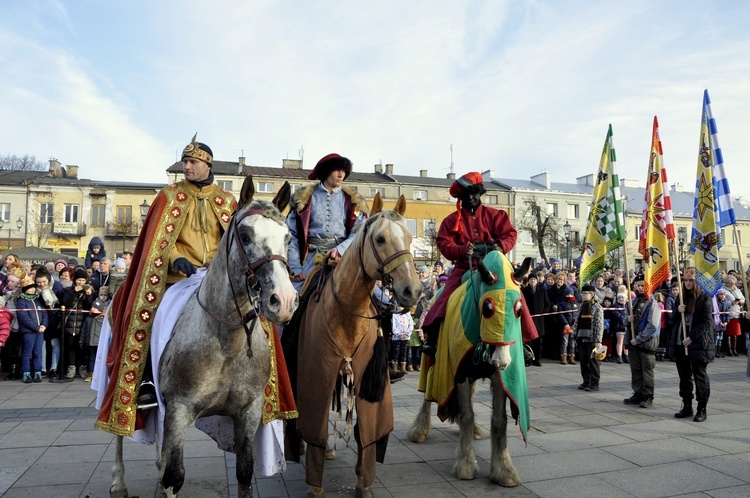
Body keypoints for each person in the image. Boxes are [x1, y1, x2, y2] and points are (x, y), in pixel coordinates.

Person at [96, 135, 237, 435]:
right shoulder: (168, 196)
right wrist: (175, 259)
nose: (187, 167)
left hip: (215, 276)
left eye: (192, 162)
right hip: (176, 278)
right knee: (147, 316)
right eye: (185, 162)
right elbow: (156, 241)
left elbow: (234, 242)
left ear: (207, 165)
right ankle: (146, 380)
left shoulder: (226, 201)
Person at [420, 172, 517, 357]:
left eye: (474, 193)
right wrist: (463, 249)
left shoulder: (496, 215)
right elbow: (444, 244)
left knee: (514, 293)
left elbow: (510, 234)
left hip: (494, 266)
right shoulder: (450, 221)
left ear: (480, 193)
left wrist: (501, 245)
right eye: (466, 195)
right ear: (460, 197)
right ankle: (432, 337)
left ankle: (524, 341)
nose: (471, 198)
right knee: (445, 297)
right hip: (464, 266)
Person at [285, 153, 368, 292]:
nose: (341, 174)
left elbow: (359, 231)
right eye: (337, 170)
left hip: (344, 256)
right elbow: (290, 235)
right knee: (294, 298)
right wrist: (295, 268)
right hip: (310, 259)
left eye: (344, 171)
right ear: (326, 171)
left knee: (373, 295)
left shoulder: (353, 201)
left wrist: (340, 250)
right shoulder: (304, 200)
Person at [668, 267, 715, 421]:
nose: (687, 283)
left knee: (699, 376)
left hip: (698, 344)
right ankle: (687, 405)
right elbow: (672, 321)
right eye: (685, 280)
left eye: (691, 280)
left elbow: (707, 322)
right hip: (681, 343)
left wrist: (691, 337)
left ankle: (702, 408)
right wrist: (677, 311)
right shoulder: (680, 298)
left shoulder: (704, 298)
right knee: (684, 377)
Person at [623, 275, 661, 408]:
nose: (640, 288)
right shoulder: (633, 302)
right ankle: (637, 392)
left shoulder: (652, 303)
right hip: (633, 342)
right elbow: (625, 319)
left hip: (646, 342)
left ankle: (648, 395)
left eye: (643, 285)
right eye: (638, 285)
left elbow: (653, 325)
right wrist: (628, 320)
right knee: (636, 369)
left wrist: (639, 339)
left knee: (647, 370)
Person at [61, 267, 94, 379]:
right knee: (71, 347)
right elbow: (66, 303)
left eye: (83, 280)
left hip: (82, 324)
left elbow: (89, 307)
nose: (81, 282)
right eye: (79, 280)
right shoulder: (68, 290)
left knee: (82, 347)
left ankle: (82, 367)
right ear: (75, 280)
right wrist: (74, 292)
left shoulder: (88, 291)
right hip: (70, 324)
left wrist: (89, 295)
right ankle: (71, 367)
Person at [16, 275, 47, 383]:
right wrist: (36, 327)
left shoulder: (37, 300)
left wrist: (44, 325)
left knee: (38, 352)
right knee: (27, 353)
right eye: (30, 287)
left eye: (33, 287)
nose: (33, 289)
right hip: (29, 332)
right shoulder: (21, 301)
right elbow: (24, 317)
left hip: (39, 331)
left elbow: (44, 313)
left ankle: (37, 372)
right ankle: (26, 372)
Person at [573, 284, 604, 391]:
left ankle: (595, 383)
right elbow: (577, 322)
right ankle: (586, 381)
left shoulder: (597, 307)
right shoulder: (581, 306)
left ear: (592, 294)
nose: (583, 295)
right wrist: (574, 336)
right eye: (582, 293)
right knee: (583, 361)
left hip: (592, 338)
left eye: (586, 293)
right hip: (581, 337)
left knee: (593, 362)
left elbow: (599, 325)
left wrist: (598, 340)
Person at [521, 273, 550, 366]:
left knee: (537, 340)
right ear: (528, 281)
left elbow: (547, 304)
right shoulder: (524, 291)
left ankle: (536, 359)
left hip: (539, 320)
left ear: (537, 281)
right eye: (531, 280)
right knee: (527, 340)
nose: (532, 281)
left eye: (534, 280)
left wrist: (543, 313)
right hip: (527, 319)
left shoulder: (542, 291)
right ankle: (528, 359)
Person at [80, 299, 106, 382]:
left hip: (99, 343)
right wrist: (82, 340)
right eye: (92, 306)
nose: (92, 308)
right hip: (90, 342)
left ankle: (100, 374)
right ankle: (91, 373)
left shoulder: (104, 319)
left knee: (100, 358)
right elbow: (83, 330)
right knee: (91, 358)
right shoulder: (88, 318)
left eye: (94, 307)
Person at [722, 275, 744, 356]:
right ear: (727, 283)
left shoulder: (737, 290)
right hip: (728, 312)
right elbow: (721, 301)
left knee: (735, 333)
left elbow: (743, 298)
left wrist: (740, 301)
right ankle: (729, 349)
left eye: (733, 283)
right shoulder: (723, 289)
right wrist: (731, 302)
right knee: (729, 333)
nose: (732, 285)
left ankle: (734, 348)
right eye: (730, 283)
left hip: (737, 312)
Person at [714, 288, 730, 358]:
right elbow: (716, 314)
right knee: (716, 338)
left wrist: (726, 321)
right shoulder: (716, 303)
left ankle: (719, 351)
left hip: (723, 324)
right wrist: (719, 322)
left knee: (720, 338)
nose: (723, 296)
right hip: (718, 324)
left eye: (724, 294)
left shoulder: (725, 303)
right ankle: (715, 352)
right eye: (721, 294)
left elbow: (727, 314)